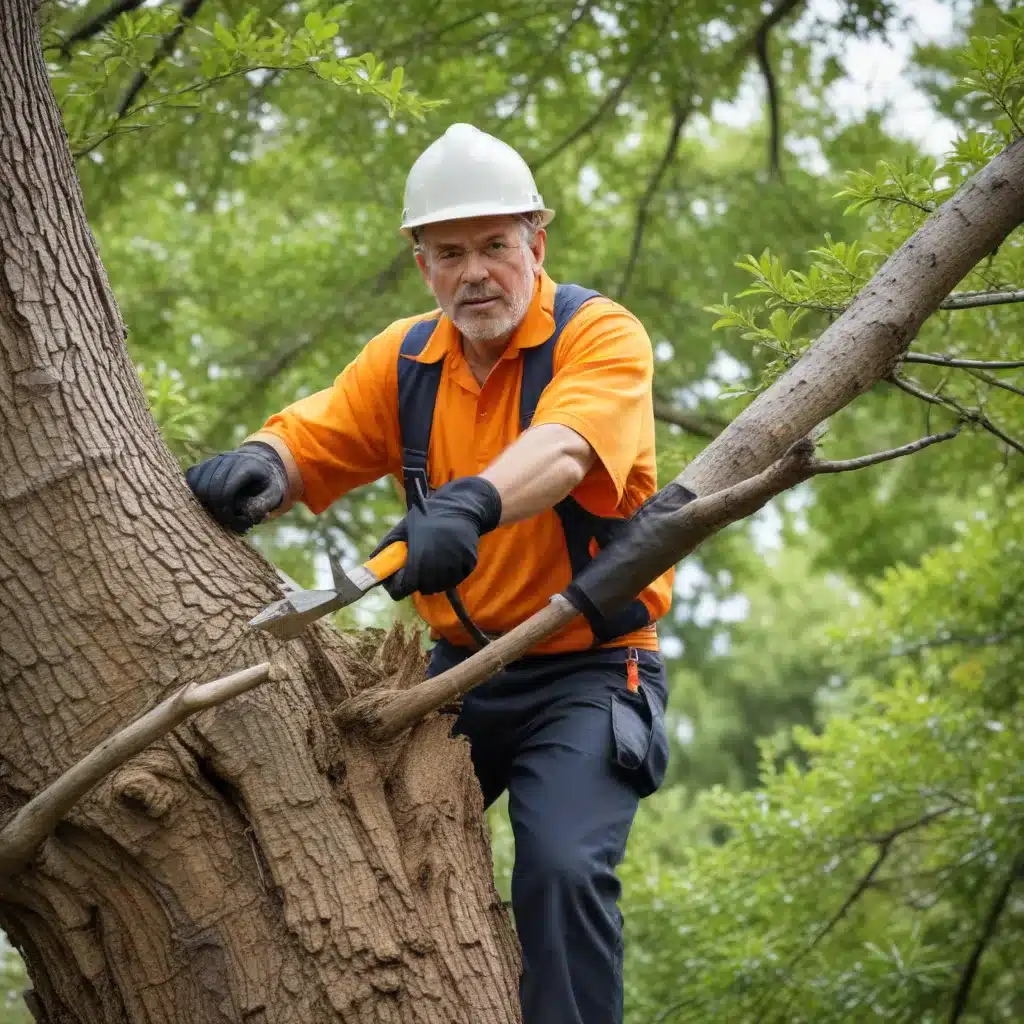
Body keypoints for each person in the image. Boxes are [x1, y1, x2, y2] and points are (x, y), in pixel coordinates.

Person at [185, 122, 674, 1024]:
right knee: (336, 832)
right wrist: (259, 463)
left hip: (589, 667)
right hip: (454, 681)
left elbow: (567, 451)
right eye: (450, 253)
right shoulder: (407, 356)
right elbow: (317, 433)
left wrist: (471, 504)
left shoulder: (598, 335)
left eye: (495, 245)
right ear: (423, 265)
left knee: (562, 867)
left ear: (537, 240)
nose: (475, 272)